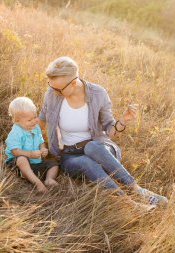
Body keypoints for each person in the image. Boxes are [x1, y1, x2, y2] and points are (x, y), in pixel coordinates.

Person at [38, 56, 167, 205]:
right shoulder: (52, 94)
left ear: (73, 83)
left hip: (100, 149)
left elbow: (110, 130)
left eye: (58, 89)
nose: (54, 92)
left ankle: (138, 190)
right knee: (86, 162)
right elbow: (41, 120)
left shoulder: (98, 94)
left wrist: (122, 121)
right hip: (70, 156)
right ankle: (131, 204)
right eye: (51, 86)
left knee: (91, 146)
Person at [5, 96, 59, 193]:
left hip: (35, 162)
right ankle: (38, 183)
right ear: (17, 121)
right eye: (30, 120)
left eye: (35, 117)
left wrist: (43, 149)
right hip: (18, 165)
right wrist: (30, 154)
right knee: (22, 159)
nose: (34, 121)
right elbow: (15, 151)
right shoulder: (16, 132)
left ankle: (49, 179)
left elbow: (41, 141)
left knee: (53, 164)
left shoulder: (36, 128)